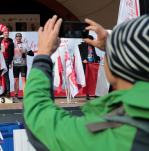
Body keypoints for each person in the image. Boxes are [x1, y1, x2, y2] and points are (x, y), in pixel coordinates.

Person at [23, 15, 149, 150]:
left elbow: (39, 119)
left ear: (114, 67)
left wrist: (43, 54)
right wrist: (114, 47)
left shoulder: (114, 133)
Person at [79, 35, 103, 100]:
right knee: (87, 80)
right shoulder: (81, 46)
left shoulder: (92, 46)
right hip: (86, 65)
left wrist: (98, 58)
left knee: (95, 80)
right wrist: (83, 59)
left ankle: (96, 94)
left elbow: (94, 55)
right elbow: (76, 55)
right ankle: (87, 94)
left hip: (93, 65)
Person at [13, 33, 34, 103]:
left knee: (24, 80)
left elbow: (32, 53)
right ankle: (16, 96)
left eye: (20, 37)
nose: (19, 38)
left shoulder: (25, 45)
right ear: (15, 38)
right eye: (17, 37)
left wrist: (26, 52)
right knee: (16, 81)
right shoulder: (13, 45)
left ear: (21, 38)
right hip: (15, 65)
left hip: (23, 65)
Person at [0, 29, 14, 98]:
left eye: (7, 33)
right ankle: (0, 91)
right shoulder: (0, 40)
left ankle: (8, 91)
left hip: (6, 60)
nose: (6, 34)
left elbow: (12, 53)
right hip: (0, 60)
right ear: (3, 34)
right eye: (5, 33)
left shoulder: (11, 42)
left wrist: (11, 62)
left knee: (6, 76)